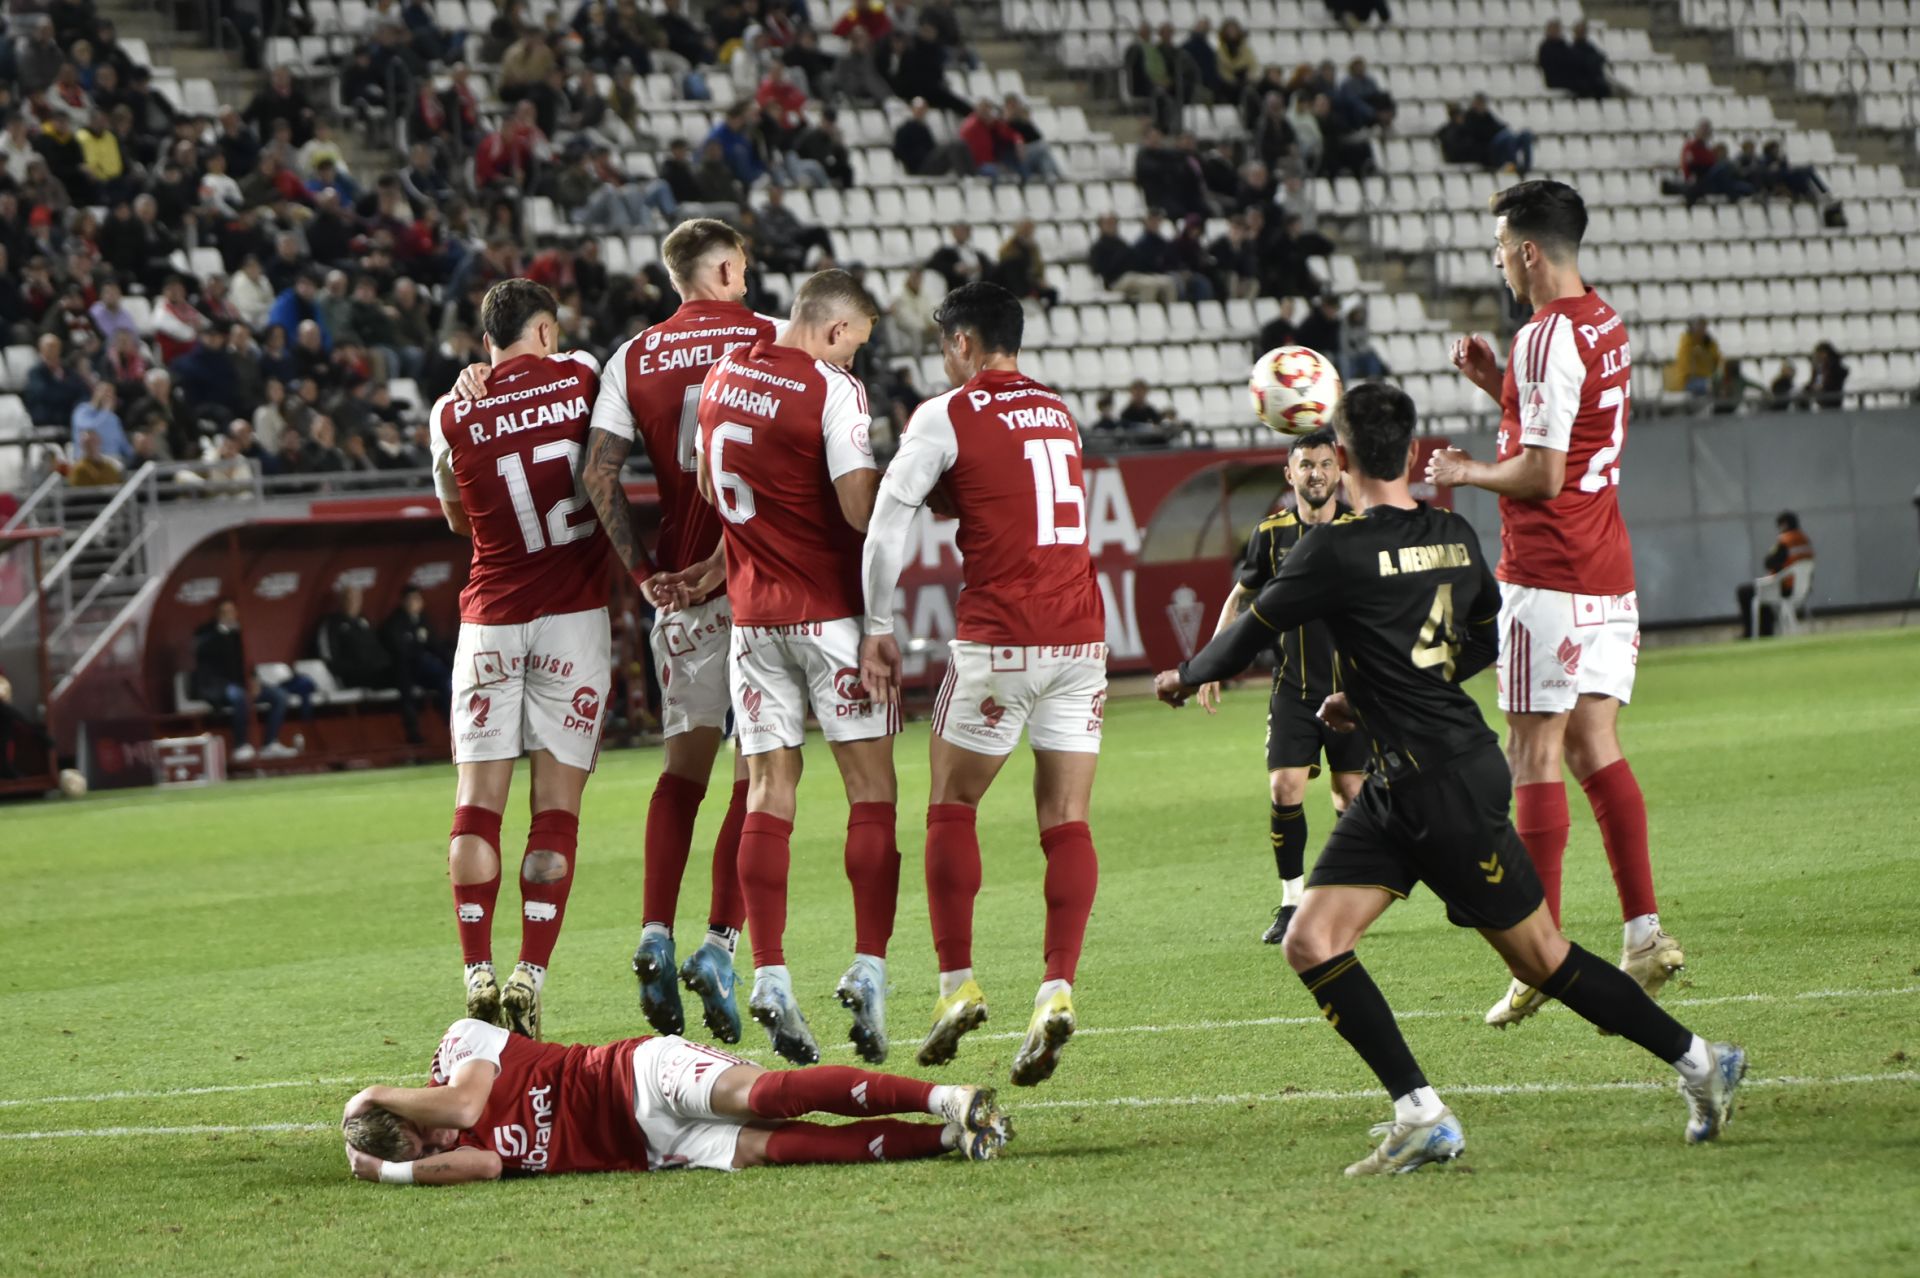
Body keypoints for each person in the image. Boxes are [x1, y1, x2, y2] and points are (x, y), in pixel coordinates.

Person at [1154, 381, 1747, 1176]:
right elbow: (1481, 638)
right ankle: (1420, 1113)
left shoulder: (1332, 549)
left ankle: (1704, 1063)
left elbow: (1244, 638)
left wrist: (1183, 678)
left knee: (1541, 959)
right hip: (1405, 780)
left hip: (1444, 786)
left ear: (1348, 453)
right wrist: (1372, 692)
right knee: (1312, 938)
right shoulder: (1455, 533)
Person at [1428, 180, 1682, 1027]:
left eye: (1501, 247)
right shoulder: (1603, 324)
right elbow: (1564, 433)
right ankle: (1644, 933)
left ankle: (1541, 954)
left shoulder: (1544, 335)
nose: (1498, 261)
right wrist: (1497, 384)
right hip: (1609, 570)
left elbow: (1541, 474)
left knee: (1531, 752)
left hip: (1547, 574)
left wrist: (1463, 473)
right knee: (1596, 744)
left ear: (1528, 251)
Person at [855, 282, 1106, 1086]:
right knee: (1065, 819)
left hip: (1001, 638)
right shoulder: (1057, 410)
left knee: (951, 804)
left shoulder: (946, 413)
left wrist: (876, 624)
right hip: (1081, 637)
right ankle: (1057, 987)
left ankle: (954, 983)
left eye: (942, 342)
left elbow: (889, 523)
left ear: (963, 343)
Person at [649, 270, 893, 1068]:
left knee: (767, 790)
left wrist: (716, 574)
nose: (856, 356)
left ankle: (771, 973)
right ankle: (868, 963)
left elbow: (735, 493)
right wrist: (916, 487)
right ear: (833, 330)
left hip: (753, 622)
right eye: (856, 341)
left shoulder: (724, 374)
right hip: (827, 616)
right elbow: (860, 511)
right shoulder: (832, 390)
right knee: (870, 789)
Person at [579, 219, 780, 1043]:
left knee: (681, 773)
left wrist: (646, 577)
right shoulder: (772, 338)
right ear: (727, 268)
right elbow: (791, 474)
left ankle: (652, 932)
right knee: (758, 771)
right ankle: (719, 944)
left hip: (679, 591)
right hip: (763, 583)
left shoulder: (632, 357)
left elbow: (596, 472)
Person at [428, 279, 611, 1041]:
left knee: (478, 804)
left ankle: (476, 967)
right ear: (544, 330)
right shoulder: (583, 375)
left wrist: (477, 391)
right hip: (572, 619)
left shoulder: (450, 409)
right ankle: (531, 975)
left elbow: (454, 518)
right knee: (556, 811)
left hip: (490, 622)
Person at [338, 1017, 1012, 1186]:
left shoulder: (462, 1047)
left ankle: (944, 1097)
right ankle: (951, 1138)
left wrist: (368, 1096)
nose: (440, 1148)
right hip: (647, 1149)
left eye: (421, 1140)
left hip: (638, 1075)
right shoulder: (447, 1154)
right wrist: (393, 1169)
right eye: (428, 1156)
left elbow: (459, 1110)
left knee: (770, 1097)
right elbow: (483, 1165)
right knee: (780, 1149)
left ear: (406, 1106)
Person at [1193, 428, 1367, 944]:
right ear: (1288, 475)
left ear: (1339, 472)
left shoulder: (1361, 530)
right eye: (1305, 465)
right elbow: (1239, 598)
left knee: (1350, 793)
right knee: (1284, 787)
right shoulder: (1270, 535)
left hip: (1355, 690)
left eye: (1324, 463)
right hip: (1294, 686)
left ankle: (1341, 899)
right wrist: (1211, 662)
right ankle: (1292, 902)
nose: (1315, 473)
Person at [189, 596, 314, 762]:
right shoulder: (206, 633)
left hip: (243, 682)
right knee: (240, 696)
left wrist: (254, 680)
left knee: (280, 696)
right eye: (224, 612)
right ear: (217, 614)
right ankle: (241, 745)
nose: (229, 615)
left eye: (232, 611)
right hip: (219, 686)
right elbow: (204, 658)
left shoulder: (240, 635)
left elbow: (248, 663)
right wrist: (222, 633)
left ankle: (270, 743)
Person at [317, 585, 425, 744]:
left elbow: (379, 650)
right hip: (355, 677)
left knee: (405, 670)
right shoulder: (332, 625)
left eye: (356, 598)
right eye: (348, 598)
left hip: (376, 673)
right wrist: (351, 670)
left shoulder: (364, 621)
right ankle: (412, 728)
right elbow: (329, 659)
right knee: (402, 673)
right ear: (340, 601)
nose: (352, 602)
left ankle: (415, 724)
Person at [1735, 512, 1814, 639]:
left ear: (1783, 525)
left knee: (1745, 592)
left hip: (1785, 588)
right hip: (1803, 589)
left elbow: (1769, 562)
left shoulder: (1785, 541)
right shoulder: (1805, 540)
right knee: (1761, 591)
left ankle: (1754, 632)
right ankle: (1766, 630)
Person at [1669, 317, 1723, 400]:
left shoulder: (1708, 343)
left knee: (1719, 385)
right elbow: (1685, 365)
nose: (1702, 329)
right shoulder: (1687, 341)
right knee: (1710, 386)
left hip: (1706, 378)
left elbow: (1718, 358)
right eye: (1699, 326)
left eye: (1703, 326)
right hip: (1689, 380)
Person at [1797, 341, 1847, 410]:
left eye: (1822, 354)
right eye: (1818, 354)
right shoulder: (1819, 370)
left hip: (1832, 403)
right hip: (1821, 402)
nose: (1820, 357)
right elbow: (1815, 384)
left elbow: (1829, 385)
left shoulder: (1836, 370)